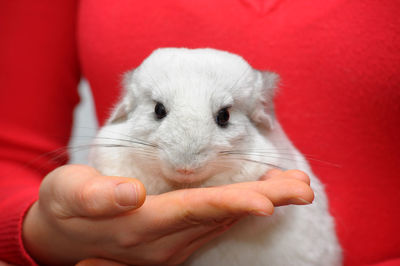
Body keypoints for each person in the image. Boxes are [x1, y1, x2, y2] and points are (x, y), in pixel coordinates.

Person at [1, 1, 399, 265]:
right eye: (159, 112)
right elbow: (9, 154)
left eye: (224, 118)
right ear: (133, 103)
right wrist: (44, 230)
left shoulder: (264, 156)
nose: (186, 159)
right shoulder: (118, 141)